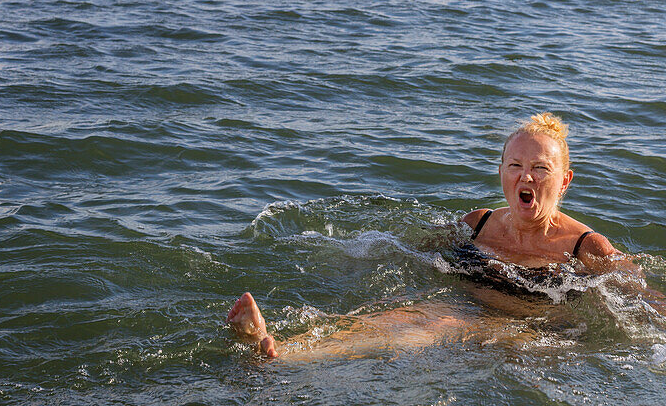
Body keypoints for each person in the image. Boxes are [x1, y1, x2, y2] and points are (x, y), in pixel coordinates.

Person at [228, 112, 629, 359]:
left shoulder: (586, 247)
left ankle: (280, 358)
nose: (526, 176)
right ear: (502, 172)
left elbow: (641, 300)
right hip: (467, 313)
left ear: (564, 182)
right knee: (395, 316)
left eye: (541, 168)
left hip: (536, 337)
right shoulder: (478, 223)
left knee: (432, 329)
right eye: (515, 164)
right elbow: (410, 249)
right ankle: (279, 350)